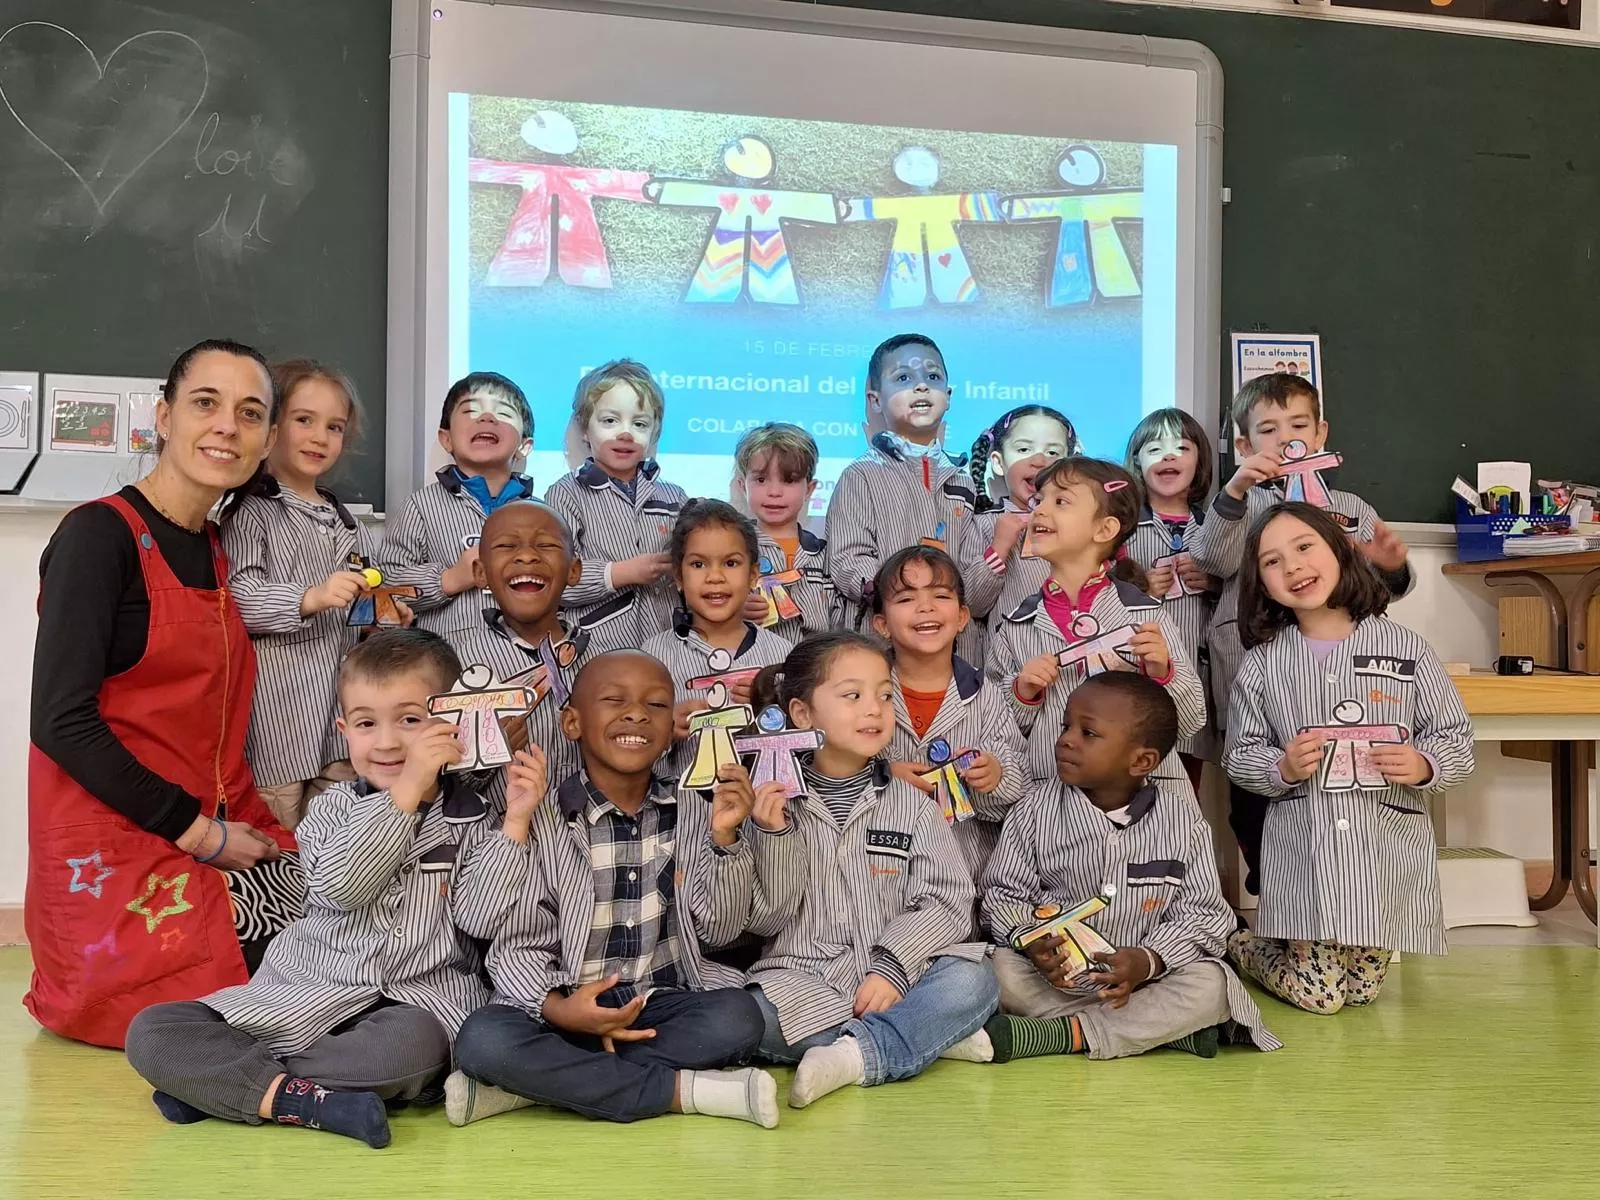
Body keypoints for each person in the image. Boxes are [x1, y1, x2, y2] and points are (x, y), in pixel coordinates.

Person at [125, 629, 533, 1149]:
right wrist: (407, 791)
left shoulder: (472, 818)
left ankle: (231, 1087)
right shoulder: (331, 809)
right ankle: (302, 1100)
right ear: (344, 730)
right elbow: (342, 888)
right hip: (305, 989)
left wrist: (515, 823)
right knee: (153, 1030)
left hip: (411, 1001)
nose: (386, 743)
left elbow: (482, 918)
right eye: (366, 724)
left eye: (410, 721)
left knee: (409, 1051)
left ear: (452, 723)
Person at [27, 338, 298, 1050]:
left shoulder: (213, 546)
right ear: (165, 417)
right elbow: (59, 721)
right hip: (119, 848)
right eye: (206, 403)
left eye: (250, 413)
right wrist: (201, 834)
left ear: (267, 439)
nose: (227, 427)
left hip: (204, 827)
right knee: (306, 971)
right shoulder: (98, 536)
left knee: (352, 917)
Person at [445, 651, 783, 1129]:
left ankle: (534, 1088)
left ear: (671, 729)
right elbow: (490, 927)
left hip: (655, 1004)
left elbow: (719, 930)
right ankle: (681, 1092)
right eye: (613, 700)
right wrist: (560, 1008)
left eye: (656, 705)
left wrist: (726, 838)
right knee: (484, 1039)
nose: (637, 714)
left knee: (739, 1017)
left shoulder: (693, 810)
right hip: (557, 1007)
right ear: (572, 722)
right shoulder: (542, 814)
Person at [1223, 503, 1474, 1014]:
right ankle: (1241, 945)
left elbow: (1455, 736)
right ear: (1260, 583)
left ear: (1341, 551)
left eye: (1304, 547)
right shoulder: (1263, 664)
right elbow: (1240, 755)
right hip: (1307, 852)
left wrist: (1425, 764)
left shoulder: (1407, 650)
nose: (1292, 566)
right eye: (1272, 561)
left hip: (1383, 853)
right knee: (1321, 995)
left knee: (1361, 992)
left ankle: (1308, 959)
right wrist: (1281, 768)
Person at [742, 633, 999, 1110]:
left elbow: (947, 900)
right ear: (802, 714)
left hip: (902, 978)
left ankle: (853, 1056)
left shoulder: (911, 804)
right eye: (853, 696)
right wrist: (771, 835)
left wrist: (891, 968)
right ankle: (922, 1036)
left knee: (974, 978)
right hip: (802, 982)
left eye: (884, 695)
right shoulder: (769, 803)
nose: (874, 710)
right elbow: (761, 919)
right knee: (747, 1014)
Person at [1185, 373, 1413, 894]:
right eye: (1268, 429)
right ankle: (1272, 887)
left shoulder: (1351, 509)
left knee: (1339, 784)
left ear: (1320, 433)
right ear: (1245, 445)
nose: (1285, 438)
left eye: (1298, 425)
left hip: (1343, 678)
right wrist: (1236, 489)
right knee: (1255, 793)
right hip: (1256, 667)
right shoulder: (1241, 505)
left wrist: (1388, 566)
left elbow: (1381, 592)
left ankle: (1344, 889)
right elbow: (1212, 559)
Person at [979, 673, 1278, 1062]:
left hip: (1144, 985)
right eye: (1065, 726)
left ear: (1142, 761)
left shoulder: (1182, 822)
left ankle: (1062, 1034)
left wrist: (1148, 960)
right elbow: (1003, 895)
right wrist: (1031, 940)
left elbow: (1204, 915)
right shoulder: (1032, 811)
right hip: (1052, 983)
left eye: (1088, 733)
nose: (1066, 739)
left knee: (1213, 983)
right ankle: (1156, 1032)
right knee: (995, 970)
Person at [221, 359, 396, 830]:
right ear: (271, 427)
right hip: (278, 728)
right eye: (304, 420)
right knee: (276, 837)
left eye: (334, 427)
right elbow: (238, 599)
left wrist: (383, 615)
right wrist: (310, 597)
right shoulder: (252, 512)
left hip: (339, 728)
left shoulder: (350, 525)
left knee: (336, 834)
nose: (320, 437)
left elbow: (364, 611)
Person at [986, 456, 1206, 800]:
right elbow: (994, 731)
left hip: (1143, 805)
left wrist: (1164, 673)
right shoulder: (1015, 626)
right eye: (1039, 500)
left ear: (1104, 529)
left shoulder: (1147, 617)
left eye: (1061, 501)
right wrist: (1022, 693)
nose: (1040, 510)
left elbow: (1191, 722)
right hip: (1051, 805)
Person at [871, 546, 1028, 880]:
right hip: (877, 871)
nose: (925, 607)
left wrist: (995, 774)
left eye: (941, 596)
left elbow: (1020, 779)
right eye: (906, 599)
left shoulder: (983, 694)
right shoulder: (861, 693)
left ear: (961, 618)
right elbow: (833, 767)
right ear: (882, 624)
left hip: (962, 870)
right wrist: (882, 775)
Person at [450, 499, 595, 809]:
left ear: (574, 570)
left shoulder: (602, 663)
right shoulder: (458, 667)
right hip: (501, 831)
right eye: (506, 546)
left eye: (546, 545)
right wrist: (483, 757)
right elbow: (445, 782)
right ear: (480, 572)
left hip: (590, 832)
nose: (527, 556)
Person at [825, 334, 977, 629]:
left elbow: (971, 569)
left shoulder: (964, 478)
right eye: (903, 378)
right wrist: (904, 594)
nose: (921, 386)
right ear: (875, 400)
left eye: (932, 377)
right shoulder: (861, 474)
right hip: (884, 635)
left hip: (952, 637)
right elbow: (848, 558)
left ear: (948, 395)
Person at [378, 372, 535, 651]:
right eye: (471, 411)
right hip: (447, 658)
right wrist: (450, 579)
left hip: (527, 658)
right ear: (446, 439)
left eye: (503, 413)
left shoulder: (542, 513)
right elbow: (387, 582)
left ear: (524, 445)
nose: (487, 418)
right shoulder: (420, 506)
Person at [641, 499, 791, 781]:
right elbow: (637, 749)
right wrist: (664, 729)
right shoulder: (654, 656)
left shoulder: (782, 655)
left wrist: (771, 709)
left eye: (731, 563)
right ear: (678, 577)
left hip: (764, 805)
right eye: (698, 564)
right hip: (683, 808)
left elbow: (802, 742)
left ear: (753, 575)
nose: (715, 577)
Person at [545, 360, 687, 655]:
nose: (626, 433)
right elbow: (554, 581)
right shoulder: (565, 494)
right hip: (596, 651)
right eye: (610, 421)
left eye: (640, 424)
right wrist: (620, 573)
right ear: (584, 429)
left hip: (669, 649)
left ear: (654, 434)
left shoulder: (675, 497)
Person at [1123, 407, 1221, 787]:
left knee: (1183, 788)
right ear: (1137, 462)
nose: (1168, 456)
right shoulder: (1123, 528)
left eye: (1181, 448)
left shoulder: (1215, 528)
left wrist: (1214, 584)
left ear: (1199, 461)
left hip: (1195, 680)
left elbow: (1241, 595)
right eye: (1154, 449)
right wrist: (1141, 587)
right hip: (1138, 677)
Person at [957, 404, 1079, 668]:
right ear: (998, 463)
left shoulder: (1082, 524)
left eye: (1053, 452)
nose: (1039, 460)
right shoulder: (986, 524)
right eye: (1023, 449)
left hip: (1074, 659)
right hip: (1009, 664)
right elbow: (972, 604)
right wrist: (999, 548)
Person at [731, 423, 834, 643]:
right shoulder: (730, 551)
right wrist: (733, 609)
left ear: (809, 489)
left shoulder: (826, 555)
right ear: (742, 485)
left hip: (816, 662)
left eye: (789, 480)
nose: (774, 492)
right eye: (761, 480)